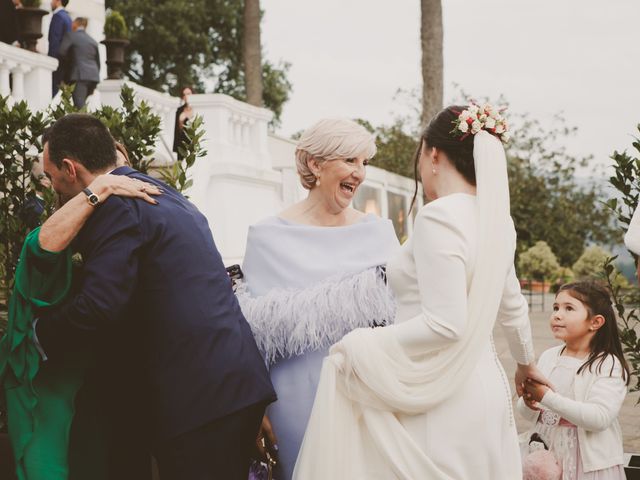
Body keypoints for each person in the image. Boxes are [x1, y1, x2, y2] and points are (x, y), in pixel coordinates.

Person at [294, 104, 549, 479]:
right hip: (486, 390)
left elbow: (446, 325)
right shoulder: (497, 220)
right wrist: (526, 365)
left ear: (432, 154)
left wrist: (361, 342)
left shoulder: (439, 216)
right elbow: (512, 308)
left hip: (438, 394)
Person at [32, 113, 276, 480]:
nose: (53, 188)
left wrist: (36, 333)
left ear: (70, 168)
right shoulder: (165, 194)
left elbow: (99, 305)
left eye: (51, 177)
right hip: (234, 381)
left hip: (198, 400)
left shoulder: (115, 206)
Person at [237, 118, 399, 478]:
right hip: (292, 405)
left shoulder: (380, 234)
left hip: (367, 400)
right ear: (315, 164)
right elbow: (250, 340)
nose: (359, 174)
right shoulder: (267, 237)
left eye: (364, 163)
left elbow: (400, 323)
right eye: (350, 161)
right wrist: (254, 409)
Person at [0, 172, 161, 480]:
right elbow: (42, 248)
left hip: (100, 394)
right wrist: (100, 187)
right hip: (45, 392)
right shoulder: (49, 238)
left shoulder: (122, 246)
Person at [518, 282, 629, 479]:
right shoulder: (549, 357)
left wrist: (546, 397)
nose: (557, 314)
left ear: (595, 322)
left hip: (585, 464)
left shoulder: (607, 364)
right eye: (556, 307)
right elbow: (529, 414)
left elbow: (599, 418)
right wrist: (528, 402)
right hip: (546, 455)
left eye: (569, 308)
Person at [58, 17, 100, 108]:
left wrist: (66, 72)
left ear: (76, 24)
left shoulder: (71, 36)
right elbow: (98, 62)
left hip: (79, 76)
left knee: (79, 107)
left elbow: (61, 52)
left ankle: (86, 122)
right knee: (81, 104)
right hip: (93, 77)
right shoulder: (93, 41)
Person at [48, 0, 72, 97]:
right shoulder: (68, 18)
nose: (50, 2)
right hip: (65, 61)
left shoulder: (58, 16)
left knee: (53, 91)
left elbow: (55, 40)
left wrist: (50, 60)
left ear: (58, 1)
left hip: (57, 60)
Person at [172, 87, 194, 159]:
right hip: (182, 144)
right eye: (184, 94)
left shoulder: (197, 108)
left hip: (193, 143)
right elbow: (178, 130)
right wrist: (181, 121)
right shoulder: (179, 110)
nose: (186, 96)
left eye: (188, 94)